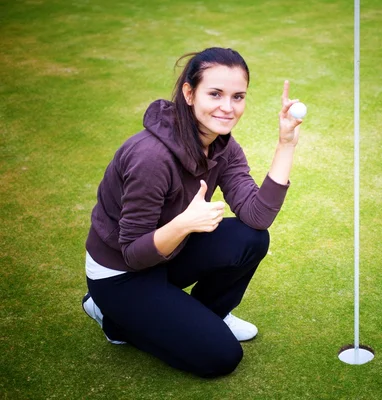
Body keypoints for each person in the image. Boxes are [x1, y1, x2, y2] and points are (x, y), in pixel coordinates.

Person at [81, 47, 302, 378]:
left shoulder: (221, 144)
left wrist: (286, 144)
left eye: (237, 96)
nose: (228, 107)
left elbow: (257, 216)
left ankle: (209, 314)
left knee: (251, 238)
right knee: (220, 358)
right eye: (215, 94)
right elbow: (132, 254)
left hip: (168, 255)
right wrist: (183, 224)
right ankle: (112, 318)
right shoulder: (150, 157)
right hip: (121, 274)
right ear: (189, 93)